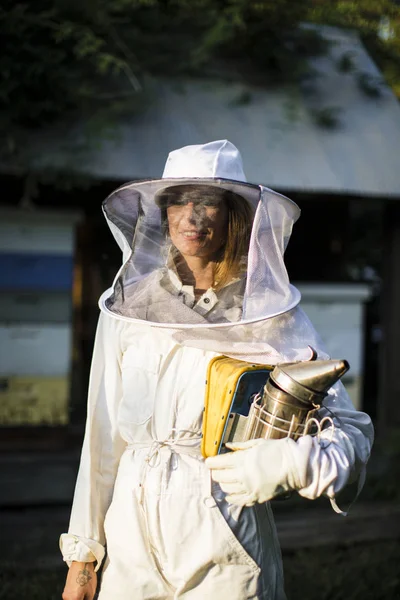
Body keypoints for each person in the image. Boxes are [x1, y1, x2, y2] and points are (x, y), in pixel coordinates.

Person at [60, 140, 373, 600]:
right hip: (130, 533)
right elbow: (103, 436)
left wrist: (291, 463)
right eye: (179, 201)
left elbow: (350, 434)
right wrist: (84, 557)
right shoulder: (130, 305)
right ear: (164, 213)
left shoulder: (268, 314)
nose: (192, 216)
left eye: (208, 202)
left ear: (234, 216)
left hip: (224, 531)